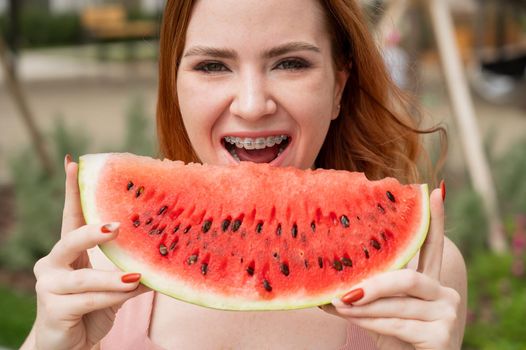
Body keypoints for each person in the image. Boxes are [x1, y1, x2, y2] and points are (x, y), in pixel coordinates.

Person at [21, 0, 467, 349]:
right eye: (212, 66)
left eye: (291, 63)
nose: (252, 105)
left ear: (338, 86)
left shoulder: (419, 277)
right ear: (174, 85)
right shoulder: (101, 266)